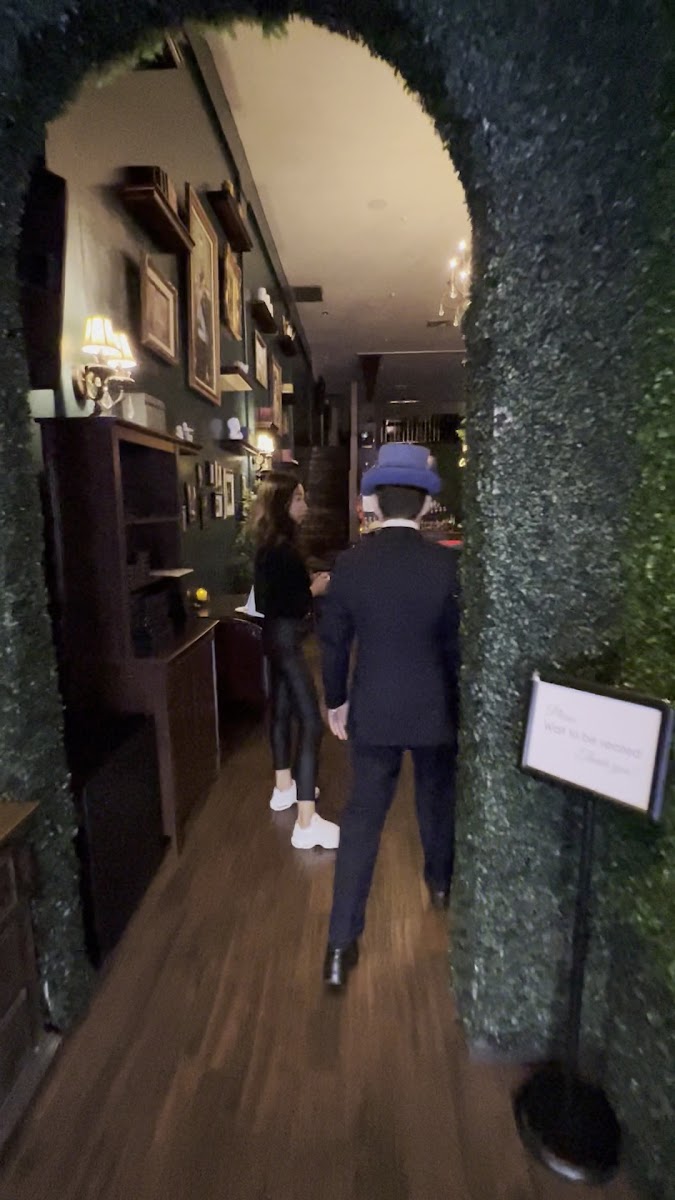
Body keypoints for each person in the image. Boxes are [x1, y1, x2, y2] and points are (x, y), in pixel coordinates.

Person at [319, 443, 460, 987]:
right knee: (436, 801)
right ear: (426, 504)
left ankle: (339, 947)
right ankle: (440, 884)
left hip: (373, 708)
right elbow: (456, 650)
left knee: (362, 820)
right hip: (432, 707)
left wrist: (336, 701)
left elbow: (334, 643)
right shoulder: (446, 565)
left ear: (374, 503)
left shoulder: (350, 565)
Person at [252, 471, 340, 851]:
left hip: (273, 638)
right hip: (287, 640)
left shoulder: (268, 544)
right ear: (283, 504)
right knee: (311, 722)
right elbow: (290, 602)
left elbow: (267, 601)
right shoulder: (284, 549)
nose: (305, 505)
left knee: (282, 711)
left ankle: (284, 787)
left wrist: (305, 587)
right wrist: (314, 589)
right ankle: (306, 823)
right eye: (299, 498)